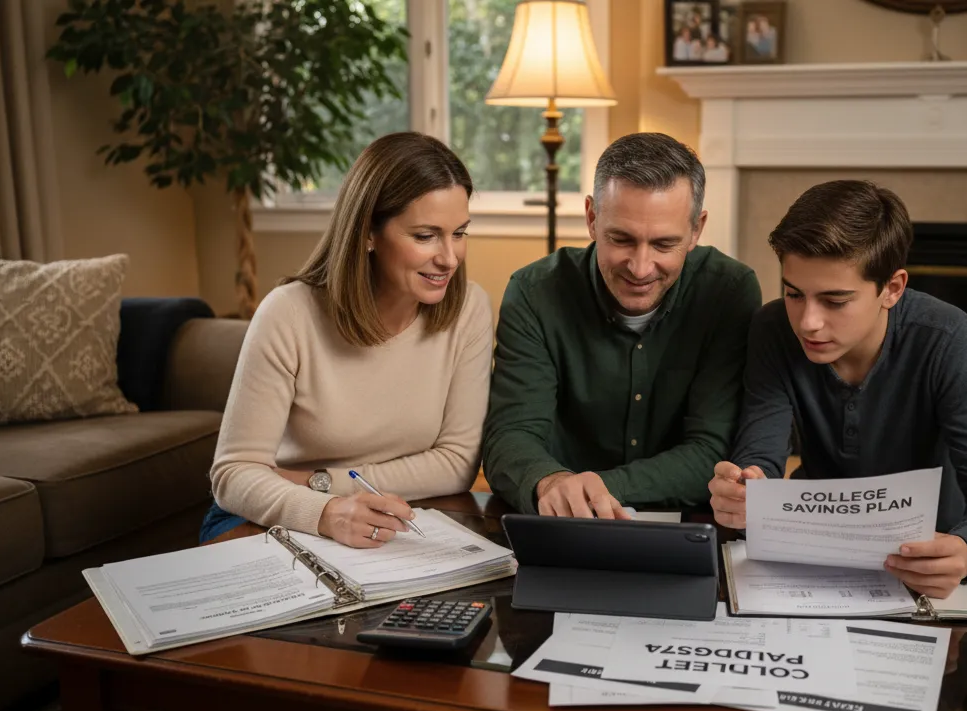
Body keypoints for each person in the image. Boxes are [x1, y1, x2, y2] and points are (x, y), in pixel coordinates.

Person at [708, 180, 967, 598]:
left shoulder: (946, 337)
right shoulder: (772, 329)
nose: (807, 322)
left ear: (892, 288)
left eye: (835, 301)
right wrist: (743, 489)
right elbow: (760, 457)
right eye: (793, 293)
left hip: (924, 557)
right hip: (812, 554)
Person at [201, 132, 493, 549]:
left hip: (388, 514)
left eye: (460, 233)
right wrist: (325, 512)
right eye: (425, 236)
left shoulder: (469, 309)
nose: (449, 257)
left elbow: (456, 463)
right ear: (367, 233)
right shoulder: (288, 313)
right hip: (274, 513)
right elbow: (234, 475)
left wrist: (323, 483)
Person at [482, 132, 762, 519]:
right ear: (592, 218)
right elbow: (510, 436)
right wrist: (551, 484)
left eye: (664, 244)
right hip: (561, 526)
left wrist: (587, 489)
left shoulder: (729, 291)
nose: (641, 267)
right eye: (621, 239)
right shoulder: (534, 292)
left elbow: (712, 451)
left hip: (687, 527)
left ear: (696, 229)